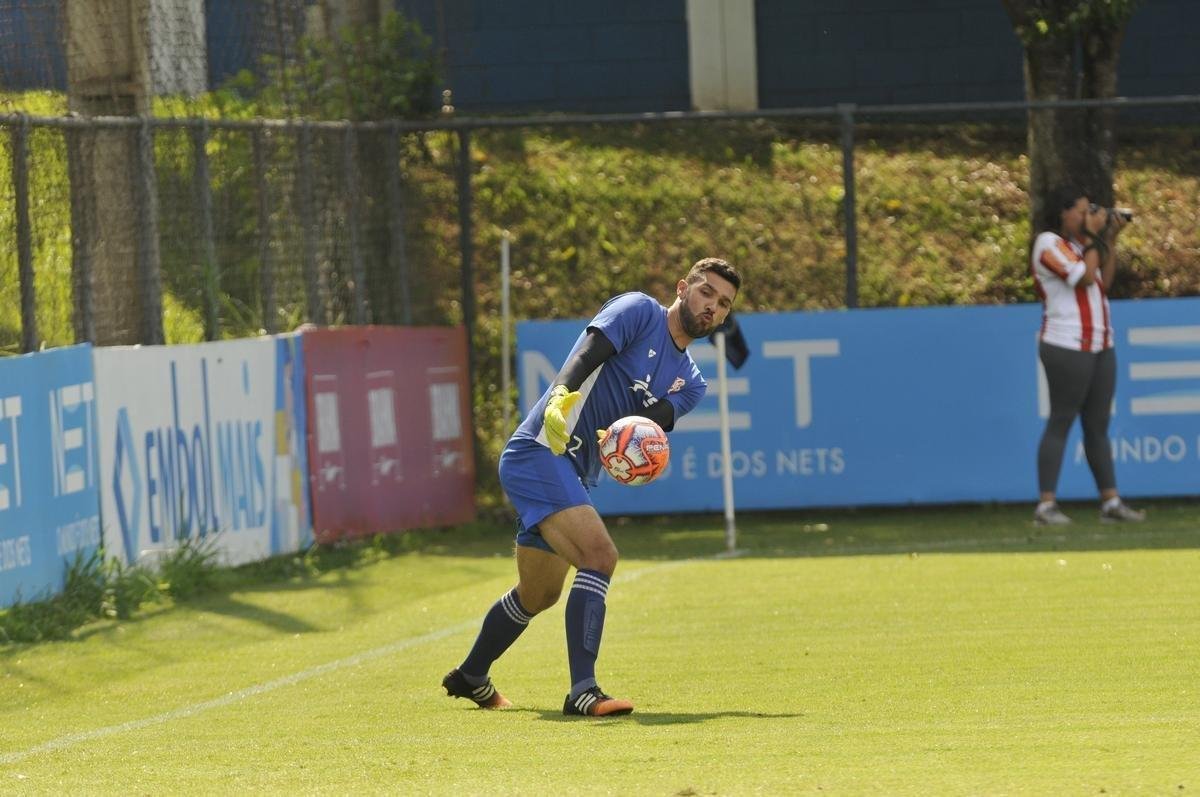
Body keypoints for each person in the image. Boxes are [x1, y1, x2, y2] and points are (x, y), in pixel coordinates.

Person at [442, 257, 741, 716]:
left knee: (539, 594)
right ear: (683, 287)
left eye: (723, 304)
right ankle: (583, 690)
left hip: (574, 473)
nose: (712, 308)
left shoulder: (692, 384)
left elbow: (648, 427)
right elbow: (585, 354)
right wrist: (560, 396)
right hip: (539, 452)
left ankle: (471, 675)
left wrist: (637, 453)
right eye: (706, 293)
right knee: (600, 556)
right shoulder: (638, 311)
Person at [1030, 185, 1144, 526]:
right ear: (1063, 214)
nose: (1085, 216)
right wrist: (1096, 235)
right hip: (1067, 343)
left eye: (1088, 210)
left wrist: (1111, 238)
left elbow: (1102, 283)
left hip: (1099, 343)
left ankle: (1110, 501)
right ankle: (1046, 505)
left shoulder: (1083, 247)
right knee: (1061, 420)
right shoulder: (1048, 244)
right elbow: (1080, 279)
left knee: (1098, 426)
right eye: (1080, 210)